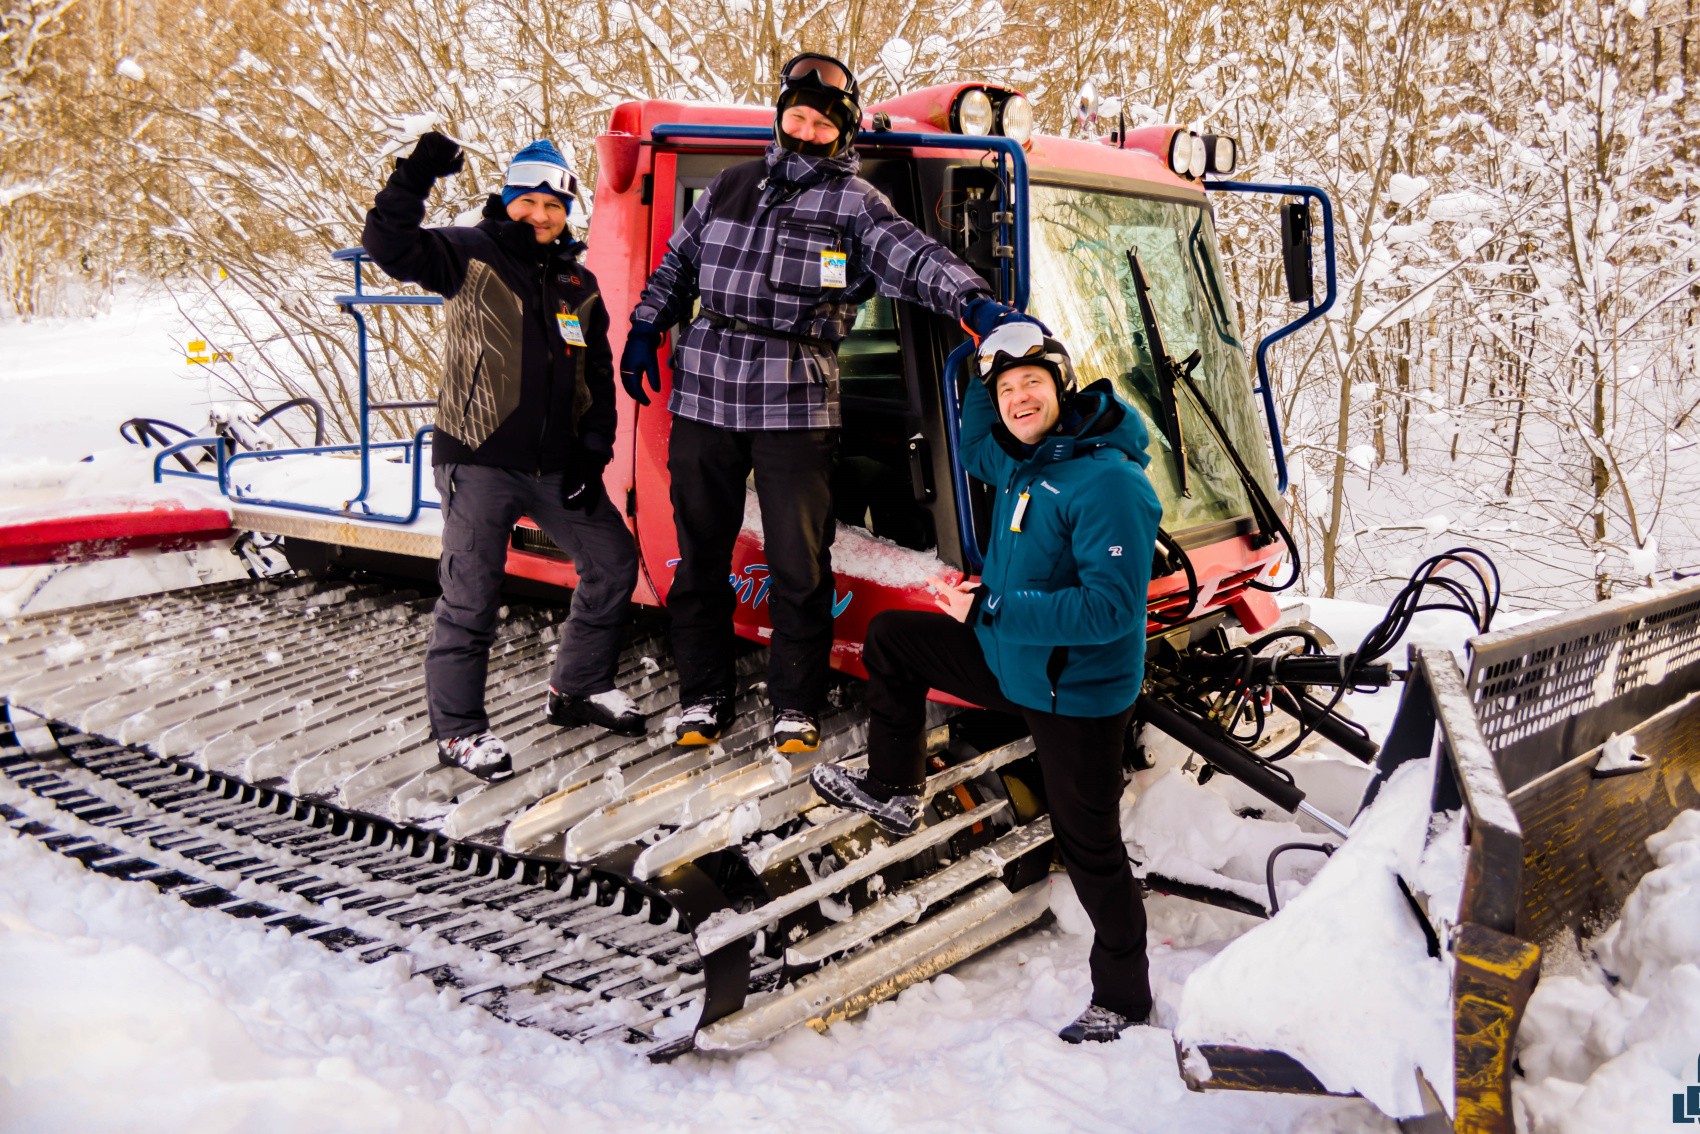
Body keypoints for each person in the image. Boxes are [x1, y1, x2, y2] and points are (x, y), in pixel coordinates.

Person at [623, 52, 1030, 754]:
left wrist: (973, 301)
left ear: (841, 134)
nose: (806, 130)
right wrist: (644, 326)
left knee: (799, 561)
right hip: (706, 393)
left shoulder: (853, 204)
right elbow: (676, 266)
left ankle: (793, 705)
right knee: (700, 556)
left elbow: (911, 256)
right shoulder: (729, 185)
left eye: (821, 123)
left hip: (794, 398)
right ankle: (702, 693)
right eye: (797, 116)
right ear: (781, 116)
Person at [810, 326, 1163, 1044]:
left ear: (1063, 386)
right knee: (894, 641)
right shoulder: (1028, 461)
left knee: (1091, 848)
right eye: (1005, 390)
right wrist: (979, 350)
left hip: (1072, 693)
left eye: (1031, 382)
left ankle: (1124, 996)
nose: (1016, 399)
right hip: (1011, 659)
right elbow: (974, 445)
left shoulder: (1109, 482)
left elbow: (1112, 609)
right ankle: (896, 788)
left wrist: (993, 607)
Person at [363, 132, 645, 783]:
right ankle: (460, 732)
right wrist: (418, 169)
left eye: (554, 203)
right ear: (509, 198)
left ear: (568, 210)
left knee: (612, 561)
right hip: (479, 460)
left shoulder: (579, 282)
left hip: (557, 470)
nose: (541, 213)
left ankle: (576, 687)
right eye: (529, 199)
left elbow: (597, 383)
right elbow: (388, 244)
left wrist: (590, 461)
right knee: (472, 596)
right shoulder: (469, 253)